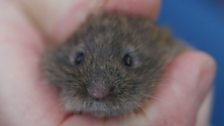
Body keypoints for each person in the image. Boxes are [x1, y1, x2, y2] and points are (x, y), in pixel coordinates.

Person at [0, 0, 216, 126]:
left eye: (127, 61)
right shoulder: (56, 38)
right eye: (79, 59)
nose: (98, 91)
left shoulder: (168, 48)